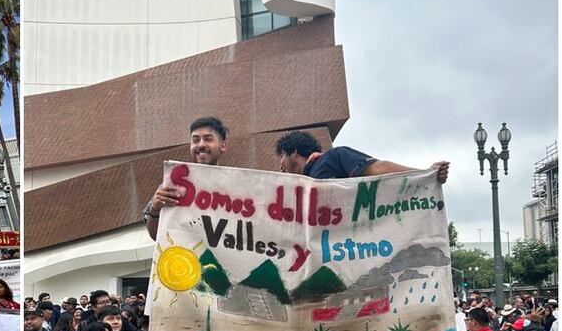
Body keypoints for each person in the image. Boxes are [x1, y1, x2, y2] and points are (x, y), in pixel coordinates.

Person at [144, 116, 231, 240]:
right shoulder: (172, 186)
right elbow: (155, 236)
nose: (201, 144)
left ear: (223, 145)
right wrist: (155, 209)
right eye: (195, 140)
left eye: (208, 139)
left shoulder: (239, 189)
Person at [274, 130, 450, 182]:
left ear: (293, 152)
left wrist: (425, 175)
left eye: (281, 156)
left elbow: (379, 168)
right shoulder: (301, 184)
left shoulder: (334, 157)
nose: (280, 164)